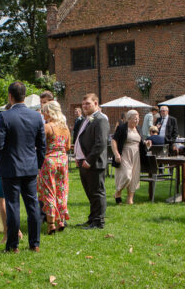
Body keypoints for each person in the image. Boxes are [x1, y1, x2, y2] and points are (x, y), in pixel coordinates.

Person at [0, 81, 46, 252]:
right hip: (30, 167)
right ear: (24, 95)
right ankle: (34, 244)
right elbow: (42, 145)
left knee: (12, 205)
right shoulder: (37, 116)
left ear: (10, 96)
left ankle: (13, 245)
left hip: (10, 167)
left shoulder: (4, 116)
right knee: (32, 205)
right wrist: (36, 164)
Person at [74, 92, 110, 229]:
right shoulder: (87, 119)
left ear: (96, 103)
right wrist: (78, 157)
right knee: (90, 192)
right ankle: (92, 218)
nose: (84, 106)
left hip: (94, 163)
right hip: (84, 161)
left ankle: (99, 221)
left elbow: (100, 143)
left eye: (88, 103)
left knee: (97, 192)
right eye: (83, 104)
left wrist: (89, 160)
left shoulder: (100, 119)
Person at [38, 101, 71, 234]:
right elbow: (68, 147)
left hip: (49, 161)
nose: (43, 114)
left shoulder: (47, 127)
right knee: (61, 190)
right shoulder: (65, 128)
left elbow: (40, 145)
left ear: (49, 112)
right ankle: (61, 220)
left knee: (49, 191)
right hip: (63, 161)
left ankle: (51, 223)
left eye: (44, 111)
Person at [112, 109, 147, 205]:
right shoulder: (122, 128)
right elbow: (114, 141)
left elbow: (141, 142)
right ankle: (118, 192)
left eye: (138, 119)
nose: (137, 120)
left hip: (136, 155)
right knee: (127, 176)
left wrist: (147, 143)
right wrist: (116, 154)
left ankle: (130, 199)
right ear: (128, 119)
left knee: (134, 177)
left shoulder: (138, 129)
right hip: (125, 154)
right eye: (134, 119)